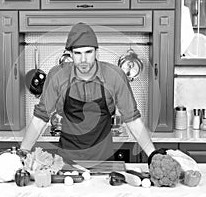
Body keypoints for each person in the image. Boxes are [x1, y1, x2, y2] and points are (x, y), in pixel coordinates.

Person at [20, 22, 155, 161]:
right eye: (78, 53)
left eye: (88, 52)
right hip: (67, 160)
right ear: (70, 54)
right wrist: (23, 152)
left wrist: (152, 154)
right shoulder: (57, 76)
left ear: (97, 52)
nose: (83, 60)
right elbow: (40, 117)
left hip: (104, 160)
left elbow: (132, 118)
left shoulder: (115, 76)